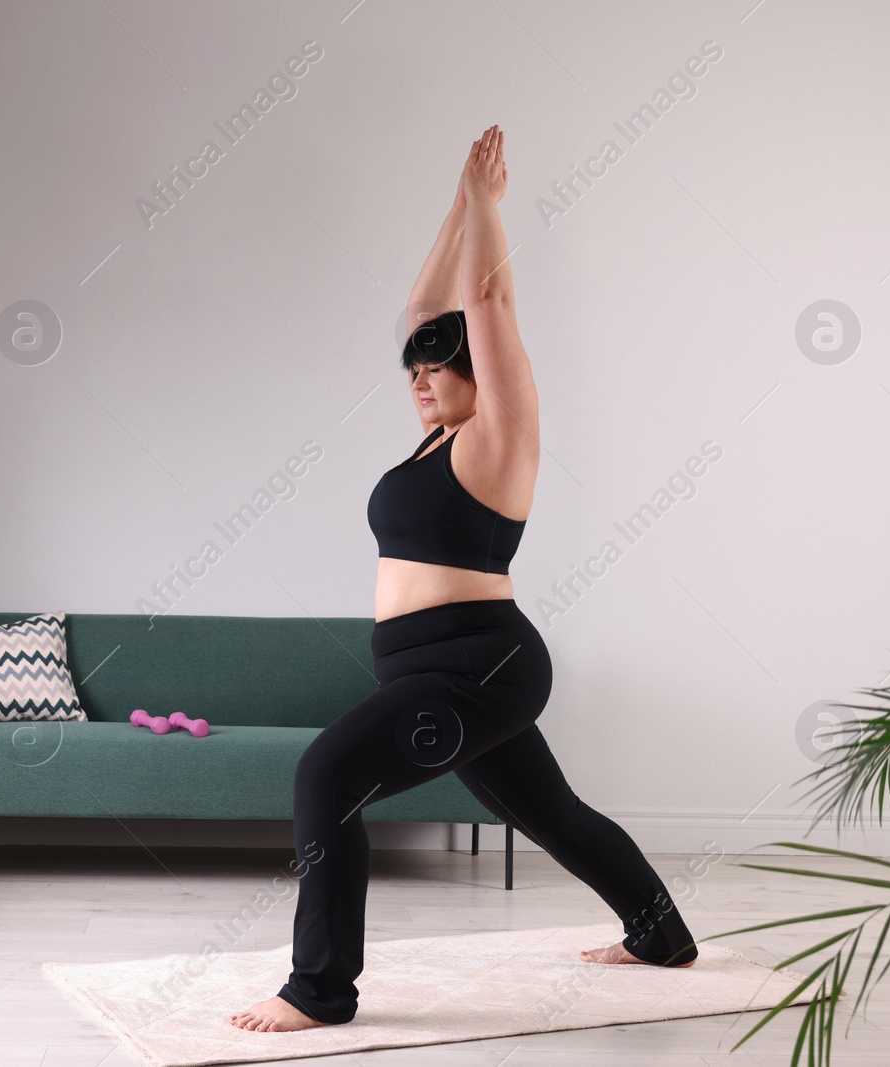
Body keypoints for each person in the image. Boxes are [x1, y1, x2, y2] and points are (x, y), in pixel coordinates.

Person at [229, 125, 698, 1033]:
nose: (419, 378)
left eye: (439, 367)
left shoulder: (500, 431)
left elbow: (484, 296)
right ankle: (660, 934)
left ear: (481, 370)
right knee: (552, 811)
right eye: (416, 369)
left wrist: (489, 208)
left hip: (477, 665)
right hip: (429, 672)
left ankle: (319, 991)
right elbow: (425, 305)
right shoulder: (435, 434)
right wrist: (455, 203)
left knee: (326, 775)